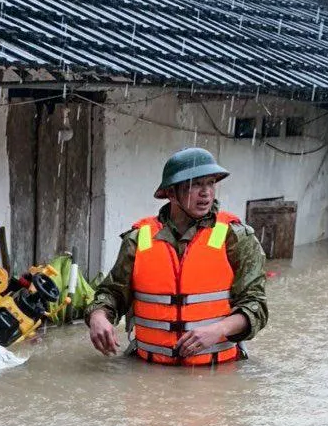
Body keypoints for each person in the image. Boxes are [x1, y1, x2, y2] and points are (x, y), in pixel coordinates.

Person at [85, 147, 268, 365]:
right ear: (171, 193)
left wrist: (218, 330)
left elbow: (256, 307)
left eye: (210, 183)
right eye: (195, 185)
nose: (206, 192)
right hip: (149, 370)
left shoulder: (236, 237)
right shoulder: (138, 238)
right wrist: (97, 317)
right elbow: (113, 294)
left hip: (216, 373)